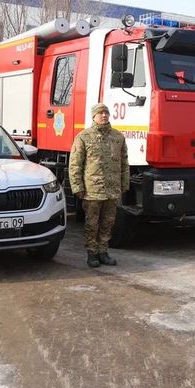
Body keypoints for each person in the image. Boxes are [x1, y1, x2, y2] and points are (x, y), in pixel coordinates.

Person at [69, 103, 130, 268]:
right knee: (92, 223)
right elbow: (75, 165)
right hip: (92, 191)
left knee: (108, 222)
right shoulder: (84, 137)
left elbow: (124, 163)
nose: (104, 115)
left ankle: (103, 252)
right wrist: (78, 188)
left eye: (106, 113)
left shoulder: (118, 138)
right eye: (100, 113)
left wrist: (124, 184)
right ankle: (92, 253)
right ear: (93, 116)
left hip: (112, 190)